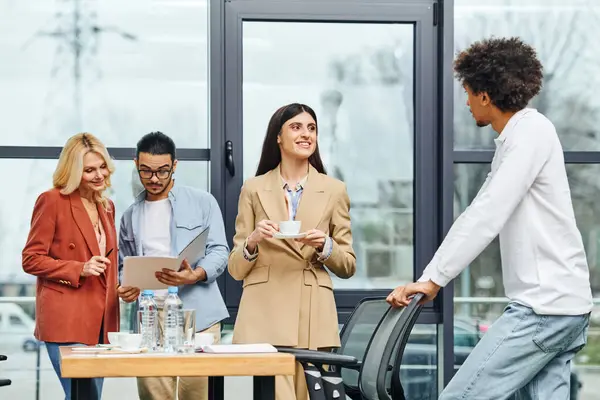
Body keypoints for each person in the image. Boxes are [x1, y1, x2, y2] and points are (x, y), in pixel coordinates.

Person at [387, 37, 592, 399]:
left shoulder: (529, 133)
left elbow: (485, 213)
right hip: (564, 307)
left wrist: (433, 280)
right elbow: (482, 209)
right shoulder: (521, 138)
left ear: (485, 95)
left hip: (544, 309)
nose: (465, 103)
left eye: (467, 93)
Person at [228, 103, 356, 400]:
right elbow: (235, 268)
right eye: (296, 127)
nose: (306, 134)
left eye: (311, 128)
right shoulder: (253, 188)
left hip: (313, 311)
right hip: (264, 311)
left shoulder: (334, 189)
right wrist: (253, 241)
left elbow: (348, 264)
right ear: (278, 137)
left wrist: (324, 244)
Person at [117, 131, 229, 400]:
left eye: (162, 171)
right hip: (149, 318)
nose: (154, 179)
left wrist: (196, 274)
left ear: (174, 166)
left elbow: (219, 250)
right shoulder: (130, 215)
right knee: (154, 396)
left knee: (198, 396)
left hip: (198, 317)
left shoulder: (203, 202)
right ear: (136, 165)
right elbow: (123, 264)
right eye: (146, 171)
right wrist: (125, 285)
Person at [22, 133, 134, 399]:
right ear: (73, 171)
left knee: (86, 396)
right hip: (67, 319)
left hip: (103, 321)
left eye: (103, 167)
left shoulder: (107, 206)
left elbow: (106, 263)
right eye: (89, 170)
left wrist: (120, 288)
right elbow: (30, 258)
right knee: (84, 396)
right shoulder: (52, 201)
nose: (99, 175)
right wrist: (78, 268)